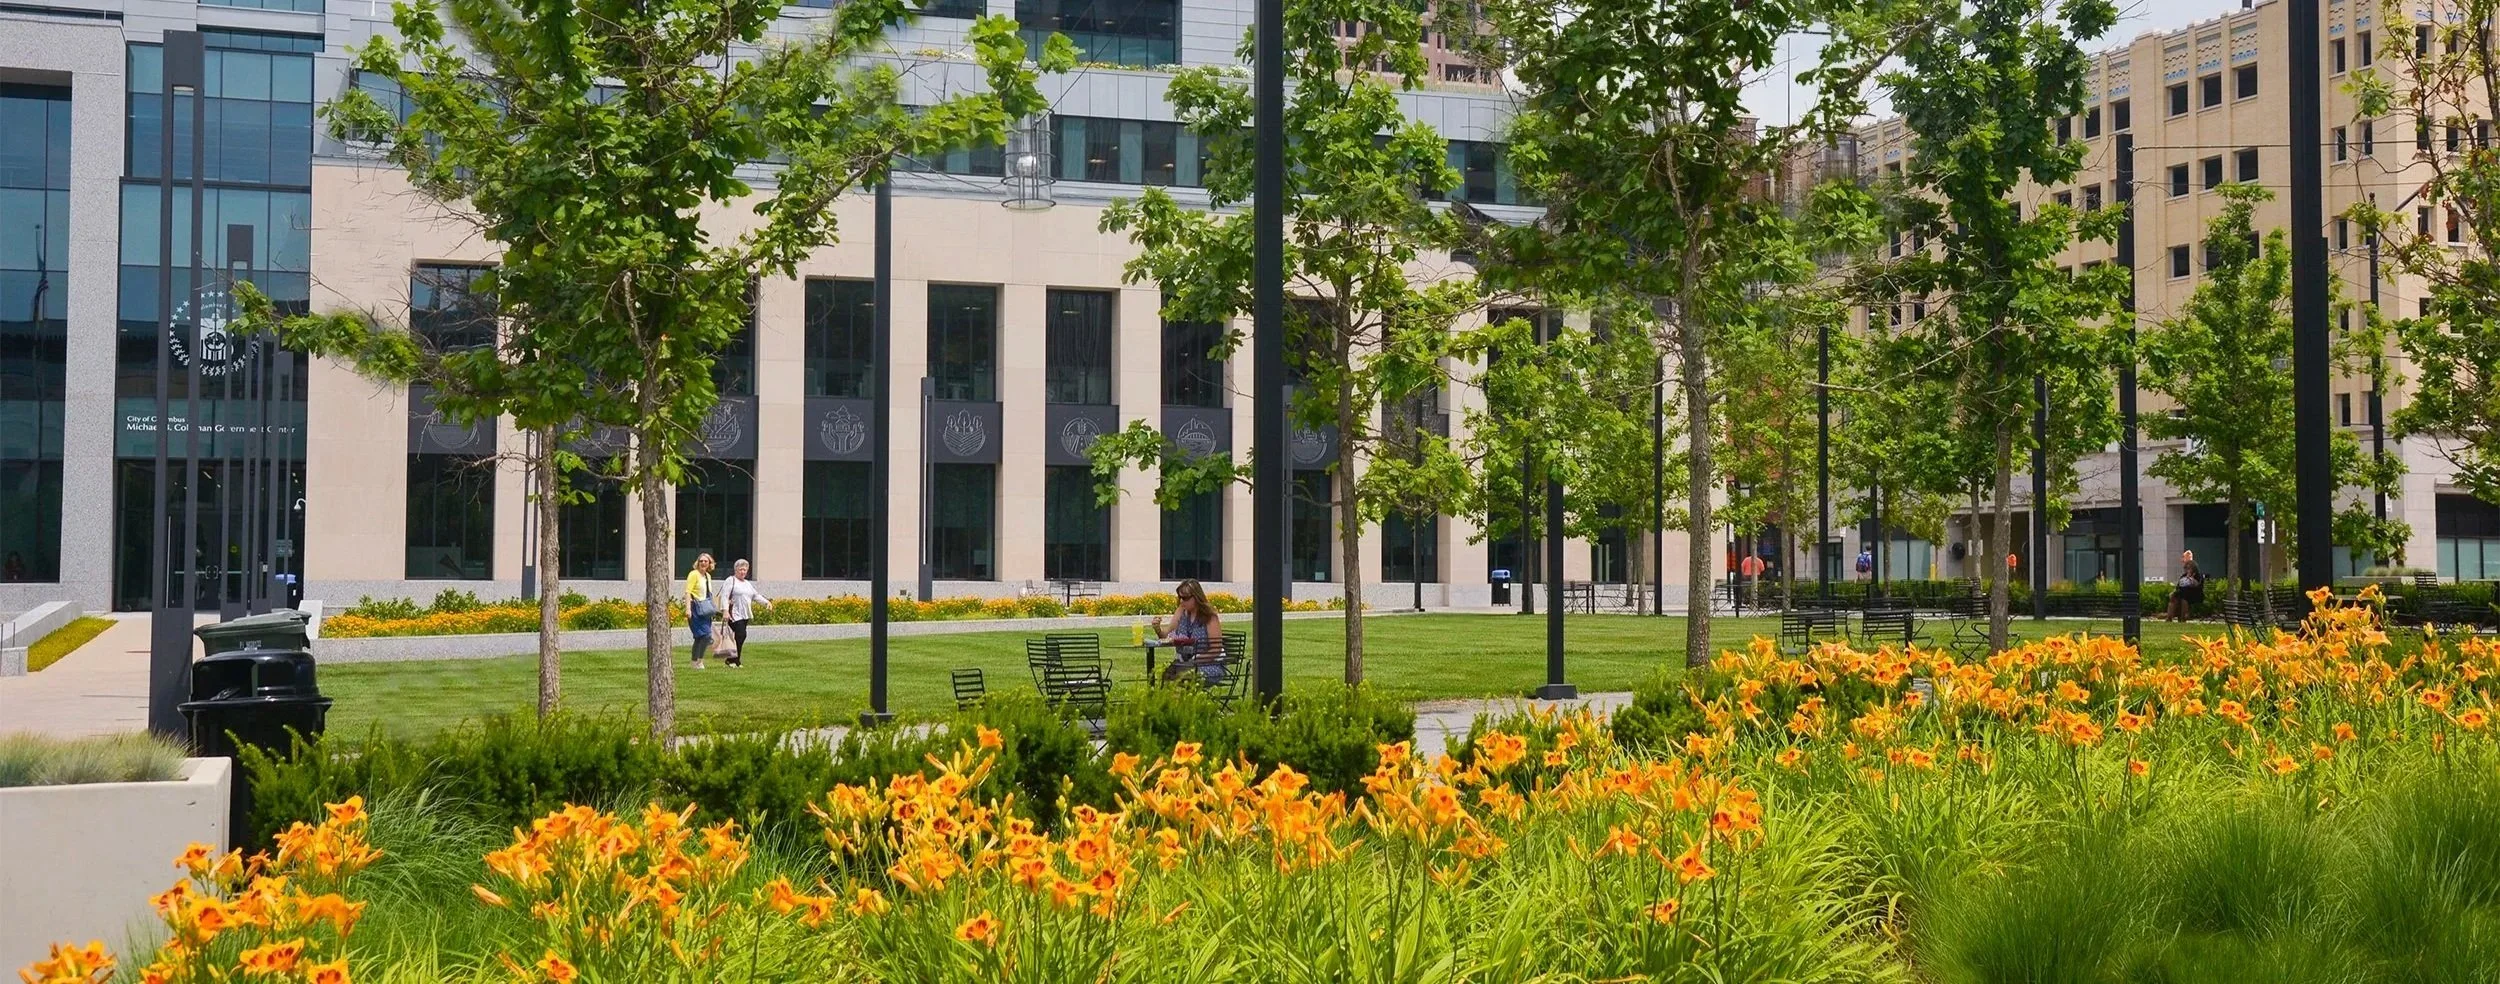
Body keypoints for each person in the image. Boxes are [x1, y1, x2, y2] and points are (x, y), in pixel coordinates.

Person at [1152, 578, 1225, 685]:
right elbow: (1165, 636)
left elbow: (1216, 649)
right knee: (1167, 675)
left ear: (1196, 597)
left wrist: (1194, 660)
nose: (1181, 601)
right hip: (1184, 663)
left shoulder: (1209, 616)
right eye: (1180, 597)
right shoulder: (1181, 611)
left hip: (1208, 664)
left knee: (1182, 675)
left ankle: (1181, 701)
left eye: (1185, 598)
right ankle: (1172, 701)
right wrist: (1157, 628)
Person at [719, 559, 768, 668]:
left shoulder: (747, 584)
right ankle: (732, 660)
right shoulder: (730, 580)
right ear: (736, 570)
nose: (743, 572)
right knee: (741, 634)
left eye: (745, 570)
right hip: (734, 613)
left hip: (745, 614)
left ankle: (735, 660)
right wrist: (725, 611)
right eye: (740, 569)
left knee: (740, 637)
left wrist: (766, 602)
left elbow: (755, 595)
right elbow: (724, 596)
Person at [684, 553, 717, 670]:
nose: (703, 563)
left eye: (706, 561)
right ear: (697, 563)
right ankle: (699, 661)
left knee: (700, 638)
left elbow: (709, 594)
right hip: (695, 608)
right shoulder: (694, 575)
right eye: (701, 561)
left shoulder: (707, 576)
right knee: (705, 635)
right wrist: (688, 609)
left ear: (710, 564)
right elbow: (688, 592)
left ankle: (695, 662)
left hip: (705, 609)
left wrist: (713, 608)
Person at [2171, 550, 2204, 622]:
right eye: (2186, 568)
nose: (2186, 570)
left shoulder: (2198, 575)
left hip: (2195, 594)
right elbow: (2179, 586)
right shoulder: (2183, 576)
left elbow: (2198, 586)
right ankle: (2169, 617)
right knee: (2174, 596)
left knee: (2183, 596)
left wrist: (2190, 578)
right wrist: (2174, 591)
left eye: (2188, 568)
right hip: (2183, 594)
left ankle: (2183, 618)